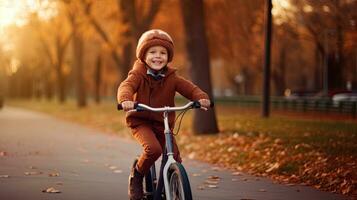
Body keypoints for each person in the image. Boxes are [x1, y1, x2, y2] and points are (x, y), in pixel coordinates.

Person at [117, 29, 210, 200]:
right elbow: (127, 86)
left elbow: (190, 88)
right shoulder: (138, 74)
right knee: (153, 150)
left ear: (168, 57)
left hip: (163, 123)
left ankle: (170, 184)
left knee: (174, 157)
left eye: (163, 53)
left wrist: (201, 97)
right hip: (141, 121)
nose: (157, 56)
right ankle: (137, 176)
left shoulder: (172, 77)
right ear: (143, 56)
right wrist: (126, 99)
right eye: (152, 52)